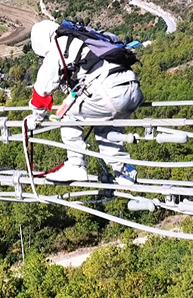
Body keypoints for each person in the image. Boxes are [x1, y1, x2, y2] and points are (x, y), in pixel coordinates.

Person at [28, 20, 144, 184]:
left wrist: (35, 116)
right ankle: (124, 171)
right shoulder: (83, 38)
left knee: (67, 115)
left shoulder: (58, 46)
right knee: (105, 128)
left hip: (109, 93)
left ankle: (76, 165)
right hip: (132, 90)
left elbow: (42, 88)